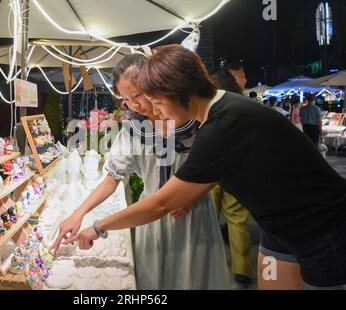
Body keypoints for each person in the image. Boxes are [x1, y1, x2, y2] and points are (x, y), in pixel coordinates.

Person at [72, 45, 346, 290]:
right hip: (277, 229)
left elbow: (162, 204)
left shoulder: (222, 125)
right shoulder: (218, 112)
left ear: (181, 91)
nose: (155, 112)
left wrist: (97, 227)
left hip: (321, 228)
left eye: (156, 102)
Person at [51, 54, 229, 290]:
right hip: (150, 220)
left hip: (192, 219)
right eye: (126, 99)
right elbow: (112, 178)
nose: (134, 104)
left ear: (154, 83)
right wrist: (79, 213)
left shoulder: (194, 119)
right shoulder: (134, 129)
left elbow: (219, 166)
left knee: (192, 279)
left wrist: (191, 196)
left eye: (137, 95)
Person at [210, 69, 253, 287]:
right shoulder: (246, 108)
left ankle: (208, 264)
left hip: (211, 174)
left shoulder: (212, 107)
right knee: (237, 221)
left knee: (207, 220)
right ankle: (242, 269)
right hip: (238, 173)